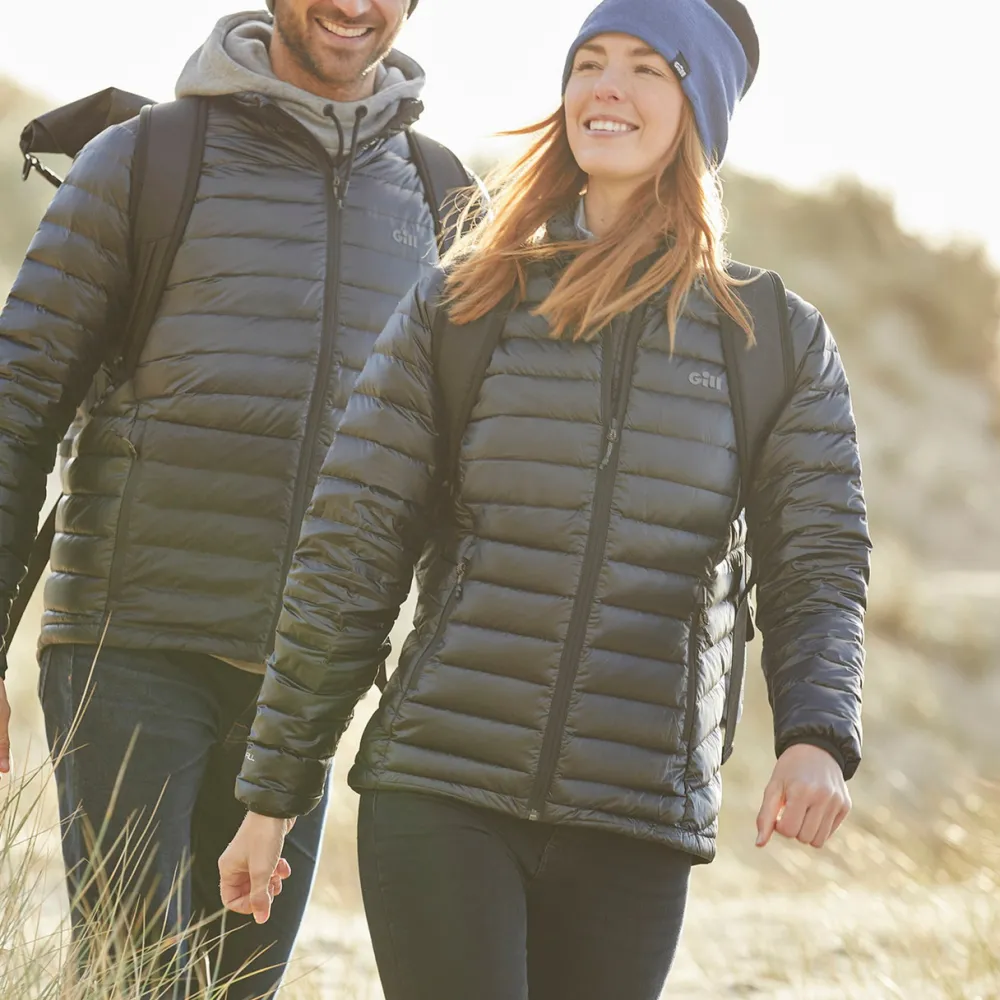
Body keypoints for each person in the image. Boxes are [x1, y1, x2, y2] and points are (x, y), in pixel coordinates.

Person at [221, 0, 871, 997]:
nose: (606, 88)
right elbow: (350, 551)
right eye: (589, 63)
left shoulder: (772, 340)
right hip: (441, 789)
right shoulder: (464, 302)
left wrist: (815, 735)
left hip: (635, 817)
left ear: (699, 109)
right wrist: (274, 793)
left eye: (648, 68)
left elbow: (816, 562)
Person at [0, 0, 469, 995]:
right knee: (135, 977)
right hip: (131, 648)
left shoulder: (444, 195)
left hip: (304, 684)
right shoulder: (146, 158)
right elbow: (18, 404)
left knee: (237, 984)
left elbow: (462, 471)